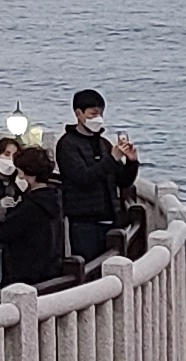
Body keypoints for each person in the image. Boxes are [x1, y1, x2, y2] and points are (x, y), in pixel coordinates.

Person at [0, 140, 72, 292]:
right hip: (48, 270)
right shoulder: (53, 198)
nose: (18, 176)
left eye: (20, 172)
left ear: (31, 174)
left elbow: (1, 234)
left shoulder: (30, 206)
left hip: (25, 277)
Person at [53, 89, 139, 272]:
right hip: (84, 221)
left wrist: (131, 162)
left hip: (110, 218)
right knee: (90, 269)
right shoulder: (67, 145)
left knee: (113, 266)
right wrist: (112, 159)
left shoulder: (104, 143)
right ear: (79, 114)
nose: (98, 119)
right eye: (93, 114)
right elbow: (83, 178)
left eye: (100, 114)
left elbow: (123, 181)